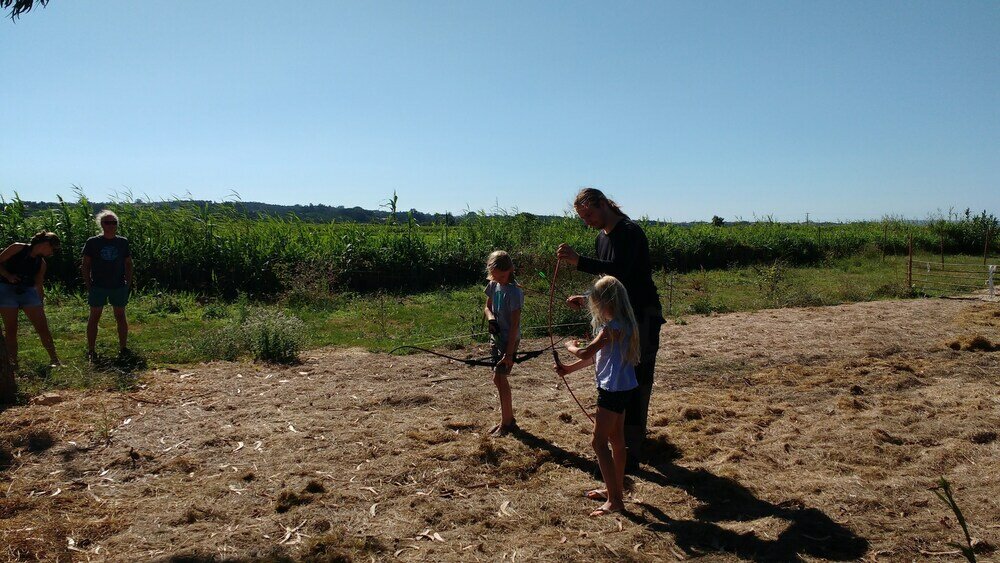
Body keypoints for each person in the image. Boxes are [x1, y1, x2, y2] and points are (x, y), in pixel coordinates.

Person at [557, 188, 665, 471]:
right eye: (583, 217)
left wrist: (578, 261)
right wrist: (588, 296)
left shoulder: (630, 232)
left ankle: (632, 447)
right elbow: (607, 282)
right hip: (619, 317)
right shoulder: (600, 238)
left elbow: (622, 272)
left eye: (589, 214)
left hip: (642, 316)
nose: (587, 221)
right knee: (618, 377)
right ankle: (622, 447)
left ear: (604, 204)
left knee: (637, 379)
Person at [554, 275, 639, 516]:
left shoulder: (612, 328)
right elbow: (596, 357)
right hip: (622, 388)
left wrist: (569, 347)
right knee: (616, 440)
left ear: (606, 302)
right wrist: (568, 370)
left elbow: (585, 352)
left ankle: (615, 500)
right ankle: (615, 489)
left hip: (611, 391)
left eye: (597, 301)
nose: (595, 306)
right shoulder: (623, 323)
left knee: (598, 442)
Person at [0, 231, 62, 370]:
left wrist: (40, 302)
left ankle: (54, 359)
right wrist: (8, 276)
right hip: (6, 289)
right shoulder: (17, 248)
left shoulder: (41, 263)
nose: (51, 253)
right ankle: (13, 364)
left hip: (27, 292)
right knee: (11, 329)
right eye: (52, 249)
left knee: (42, 327)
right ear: (45, 244)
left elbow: (39, 284)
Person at [82, 210, 133, 359]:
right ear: (101, 224)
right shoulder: (92, 242)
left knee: (120, 316)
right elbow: (85, 264)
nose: (111, 226)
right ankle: (91, 350)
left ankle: (123, 348)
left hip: (118, 285)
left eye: (114, 222)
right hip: (98, 286)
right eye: (107, 222)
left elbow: (129, 263)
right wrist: (88, 284)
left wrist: (127, 283)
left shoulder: (123, 242)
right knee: (94, 316)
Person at [483, 250, 523, 436]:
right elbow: (487, 307)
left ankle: (507, 422)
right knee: (497, 378)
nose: (499, 279)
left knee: (500, 377)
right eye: (495, 276)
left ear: (511, 270)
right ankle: (508, 419)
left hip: (509, 340)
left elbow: (515, 325)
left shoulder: (515, 293)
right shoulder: (493, 285)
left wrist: (508, 353)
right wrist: (491, 319)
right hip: (496, 338)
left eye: (502, 276)